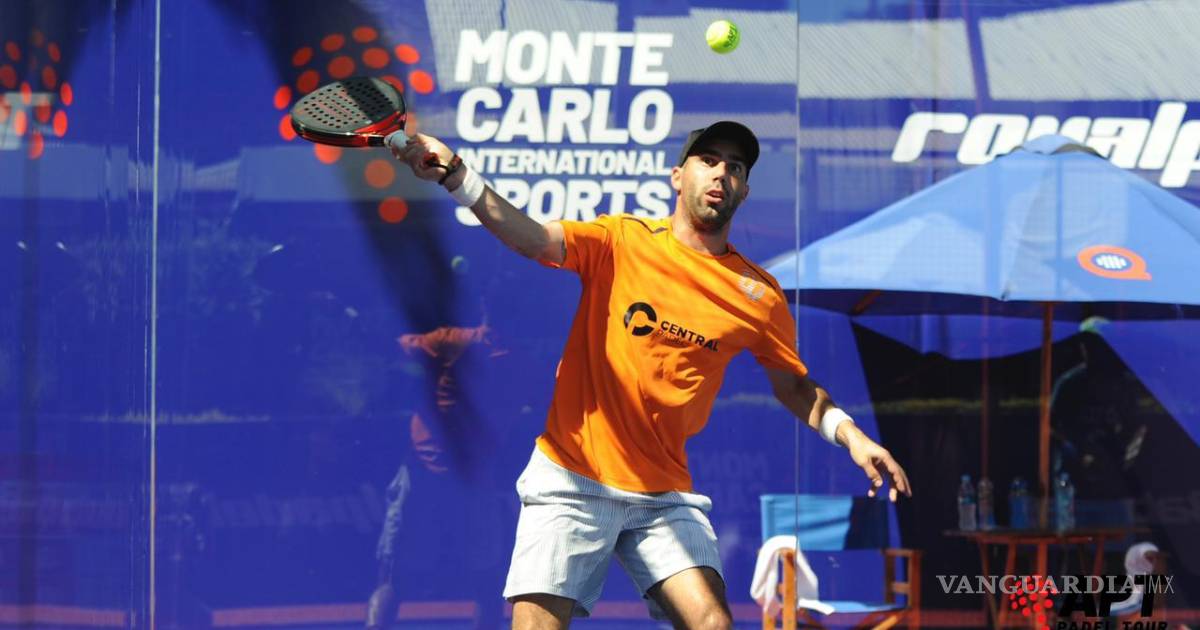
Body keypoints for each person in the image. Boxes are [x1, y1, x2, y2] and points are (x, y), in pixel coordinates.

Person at [392, 121, 912, 630]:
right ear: (677, 177)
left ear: (744, 191)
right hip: (571, 477)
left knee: (711, 622)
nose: (721, 173)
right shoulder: (621, 240)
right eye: (708, 160)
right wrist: (456, 174)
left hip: (662, 495)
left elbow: (794, 386)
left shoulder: (759, 295)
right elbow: (532, 238)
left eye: (735, 167)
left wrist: (853, 437)